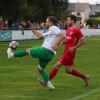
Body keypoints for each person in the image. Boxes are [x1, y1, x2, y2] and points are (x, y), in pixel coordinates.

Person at [7, 16, 63, 90]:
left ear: (50, 22)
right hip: (50, 55)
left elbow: (61, 35)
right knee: (40, 70)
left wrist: (56, 44)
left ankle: (11, 55)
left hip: (45, 51)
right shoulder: (51, 31)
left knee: (27, 50)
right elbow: (40, 36)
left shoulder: (54, 28)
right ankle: (50, 86)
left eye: (46, 21)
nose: (45, 23)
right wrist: (33, 30)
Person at [40, 15, 90, 87]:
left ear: (73, 20)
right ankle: (85, 77)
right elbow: (69, 39)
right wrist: (64, 42)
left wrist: (74, 47)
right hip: (67, 51)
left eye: (68, 20)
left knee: (57, 65)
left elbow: (83, 41)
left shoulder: (76, 29)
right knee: (69, 70)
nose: (67, 21)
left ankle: (46, 81)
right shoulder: (69, 28)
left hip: (69, 52)